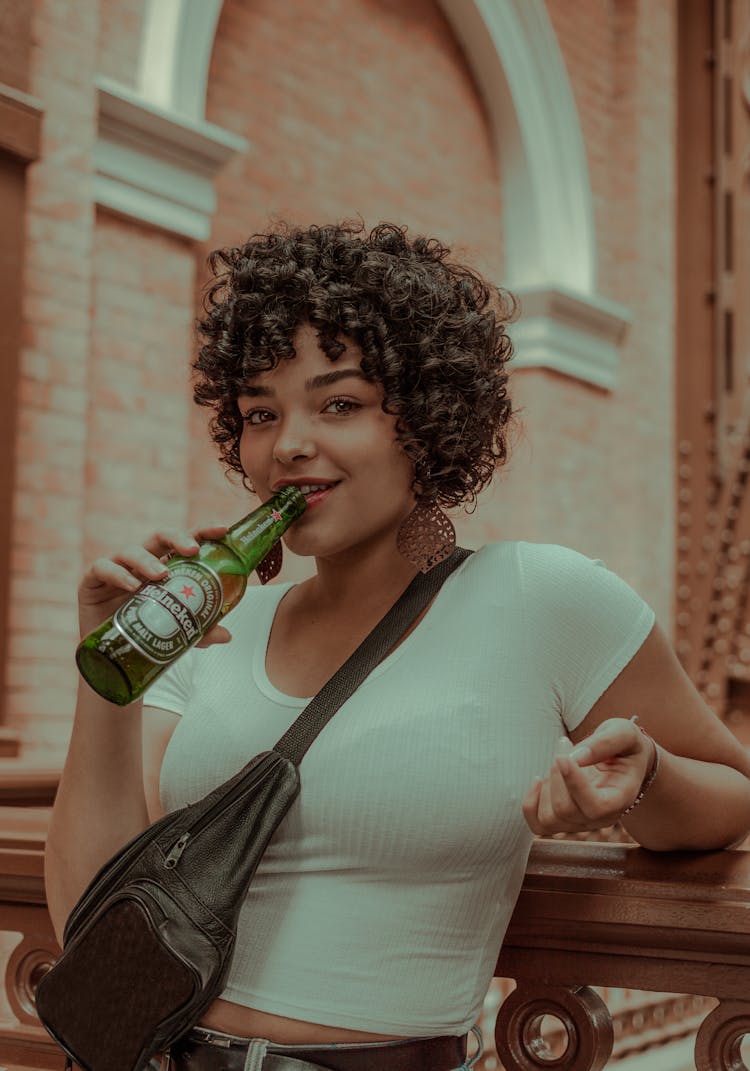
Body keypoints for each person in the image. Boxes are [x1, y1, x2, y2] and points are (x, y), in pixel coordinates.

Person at [45, 221, 750, 1071]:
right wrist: (106, 671)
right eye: (261, 413)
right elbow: (88, 914)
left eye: (337, 402)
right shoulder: (215, 627)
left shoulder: (540, 596)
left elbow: (733, 790)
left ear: (423, 417)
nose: (289, 443)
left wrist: (647, 779)